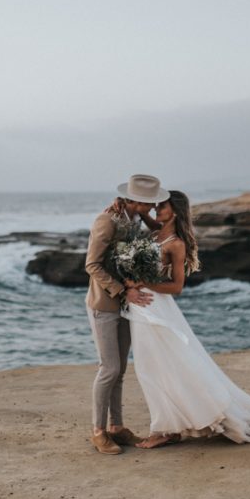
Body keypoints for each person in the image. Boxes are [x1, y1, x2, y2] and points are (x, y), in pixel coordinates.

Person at [125, 191, 250, 448]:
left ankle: (165, 429)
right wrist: (136, 207)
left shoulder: (176, 243)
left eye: (162, 205)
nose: (157, 208)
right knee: (150, 367)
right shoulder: (155, 232)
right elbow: (145, 219)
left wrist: (143, 282)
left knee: (159, 367)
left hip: (156, 308)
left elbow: (177, 286)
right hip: (140, 307)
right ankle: (170, 426)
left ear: (176, 211)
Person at [85, 174, 166, 455]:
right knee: (108, 369)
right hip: (104, 306)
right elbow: (92, 265)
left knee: (119, 370)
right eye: (149, 203)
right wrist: (124, 291)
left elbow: (147, 238)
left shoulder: (133, 218)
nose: (153, 207)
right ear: (135, 201)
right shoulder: (106, 221)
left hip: (124, 305)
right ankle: (98, 432)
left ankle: (117, 427)